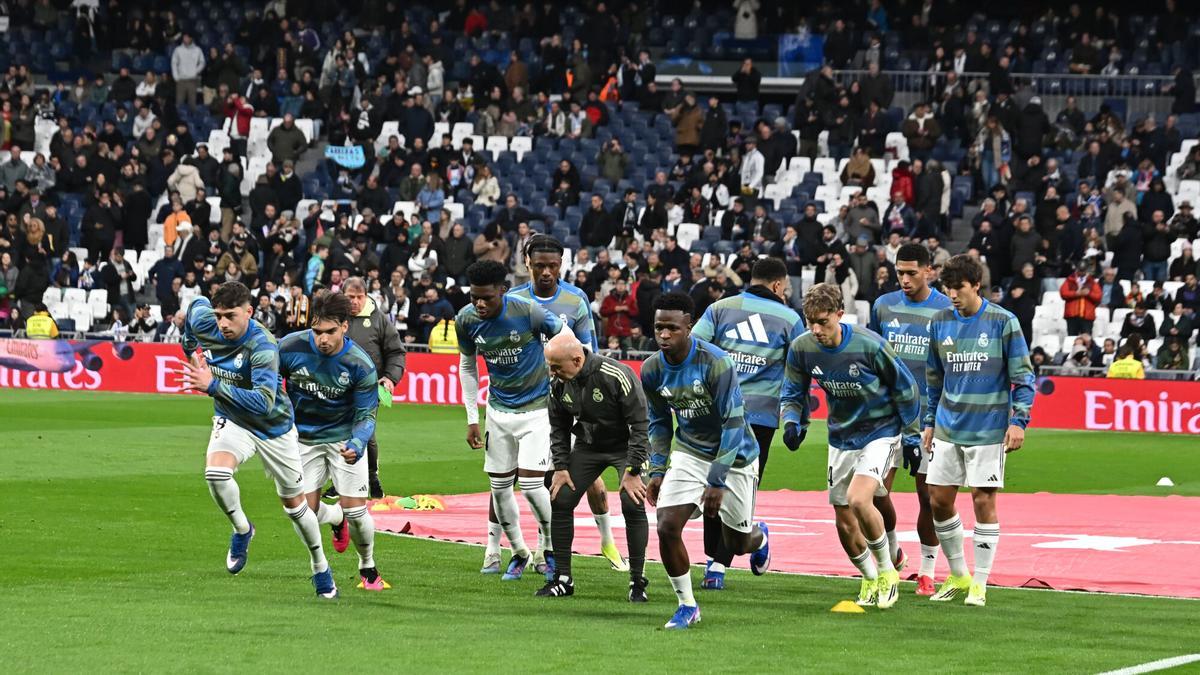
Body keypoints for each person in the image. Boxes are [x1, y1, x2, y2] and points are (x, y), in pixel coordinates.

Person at [178, 282, 336, 599]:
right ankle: (242, 529)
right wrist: (191, 350)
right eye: (219, 315)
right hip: (233, 419)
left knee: (295, 506)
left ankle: (320, 565)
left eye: (230, 316)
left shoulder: (262, 345)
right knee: (216, 474)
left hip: (273, 427)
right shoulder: (204, 319)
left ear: (249, 312)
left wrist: (211, 386)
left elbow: (263, 402)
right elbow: (195, 309)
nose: (223, 324)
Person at [781, 282, 919, 609]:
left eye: (823, 322)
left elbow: (907, 388)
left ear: (840, 315)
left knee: (859, 500)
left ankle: (888, 573)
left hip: (881, 430)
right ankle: (869, 577)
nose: (816, 329)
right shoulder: (802, 348)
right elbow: (792, 392)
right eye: (810, 321)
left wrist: (912, 437)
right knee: (843, 519)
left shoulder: (870, 346)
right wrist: (791, 421)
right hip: (841, 436)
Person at [641, 292, 770, 630]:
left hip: (736, 457)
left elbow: (733, 422)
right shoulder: (652, 369)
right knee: (667, 525)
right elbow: (657, 421)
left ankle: (761, 537)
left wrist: (717, 479)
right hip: (690, 452)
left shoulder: (715, 362)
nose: (664, 335)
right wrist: (656, 469)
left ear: (690, 326)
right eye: (658, 328)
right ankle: (687, 605)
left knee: (738, 544)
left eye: (672, 328)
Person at [507, 235, 628, 572]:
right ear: (527, 263)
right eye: (540, 265)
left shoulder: (576, 300)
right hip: (529, 402)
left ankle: (607, 541)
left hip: (570, 402)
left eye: (554, 265)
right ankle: (537, 549)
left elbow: (589, 352)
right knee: (531, 478)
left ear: (562, 265)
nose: (547, 272)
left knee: (588, 477)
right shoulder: (513, 299)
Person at [921, 254, 1036, 607]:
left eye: (959, 288)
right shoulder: (940, 321)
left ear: (976, 286)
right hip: (947, 426)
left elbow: (1024, 378)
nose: (952, 295)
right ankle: (958, 573)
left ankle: (981, 583)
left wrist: (1018, 422)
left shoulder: (1003, 322)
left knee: (983, 499)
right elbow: (933, 378)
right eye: (948, 288)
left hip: (988, 428)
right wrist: (928, 421)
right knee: (938, 499)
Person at [689, 258, 804, 590]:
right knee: (735, 489)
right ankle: (735, 551)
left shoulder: (720, 308)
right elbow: (799, 371)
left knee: (714, 484)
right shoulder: (790, 319)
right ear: (779, 285)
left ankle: (717, 563)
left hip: (715, 414)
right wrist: (796, 418)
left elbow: (695, 348)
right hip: (761, 418)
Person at [456, 261, 565, 580]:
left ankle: (549, 548)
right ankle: (518, 552)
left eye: (486, 297)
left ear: (502, 291)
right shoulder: (466, 319)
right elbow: (467, 367)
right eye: (474, 297)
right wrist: (471, 417)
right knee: (500, 488)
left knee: (532, 486)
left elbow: (565, 339)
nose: (479, 303)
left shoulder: (528, 312)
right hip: (498, 412)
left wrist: (561, 382)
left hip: (536, 410)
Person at [277, 291, 388, 591]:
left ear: (344, 327)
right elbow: (268, 376)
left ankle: (367, 565)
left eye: (330, 332)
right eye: (317, 331)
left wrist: (358, 443)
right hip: (304, 440)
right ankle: (334, 516)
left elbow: (367, 414)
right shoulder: (289, 347)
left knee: (357, 512)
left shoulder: (360, 364)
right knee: (304, 513)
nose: (322, 339)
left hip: (344, 440)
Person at [538, 331, 651, 600]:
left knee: (631, 500)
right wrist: (561, 467)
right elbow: (558, 429)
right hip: (589, 447)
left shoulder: (617, 375)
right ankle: (563, 579)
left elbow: (640, 424)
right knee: (561, 497)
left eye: (556, 367)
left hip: (626, 446)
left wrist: (634, 470)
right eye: (549, 367)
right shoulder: (558, 385)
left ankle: (637, 581)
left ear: (577, 361)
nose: (552, 373)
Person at [868, 243, 953, 596]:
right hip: (887, 415)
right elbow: (873, 352)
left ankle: (927, 570)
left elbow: (951, 362)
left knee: (928, 497)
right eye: (899, 272)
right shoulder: (883, 306)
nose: (903, 279)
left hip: (928, 419)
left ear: (929, 271)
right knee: (873, 491)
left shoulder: (946, 309)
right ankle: (892, 550)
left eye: (911, 273)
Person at [338, 277, 407, 499]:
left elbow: (396, 352)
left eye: (359, 297)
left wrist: (390, 378)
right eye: (351, 297)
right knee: (335, 432)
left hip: (368, 388)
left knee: (367, 433)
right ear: (343, 296)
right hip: (336, 387)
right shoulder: (334, 318)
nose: (355, 302)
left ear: (366, 296)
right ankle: (338, 480)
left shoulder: (379, 320)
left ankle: (371, 475)